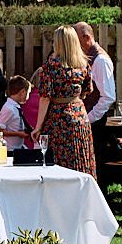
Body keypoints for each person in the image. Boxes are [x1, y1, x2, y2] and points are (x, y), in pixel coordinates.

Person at [32, 26, 96, 177]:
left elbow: (45, 98)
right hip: (80, 117)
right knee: (80, 161)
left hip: (57, 118)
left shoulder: (50, 67)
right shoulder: (84, 65)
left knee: (58, 165)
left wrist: (38, 127)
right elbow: (87, 91)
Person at [73, 21, 116, 167]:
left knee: (95, 162)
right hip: (89, 118)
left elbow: (108, 96)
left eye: (76, 39)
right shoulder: (90, 57)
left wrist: (89, 118)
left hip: (95, 122)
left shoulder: (100, 60)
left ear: (86, 37)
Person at [0, 76, 33, 150]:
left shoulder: (15, 107)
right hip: (9, 150)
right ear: (22, 92)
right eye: (28, 93)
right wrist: (18, 134)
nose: (28, 96)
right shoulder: (8, 108)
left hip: (18, 147)